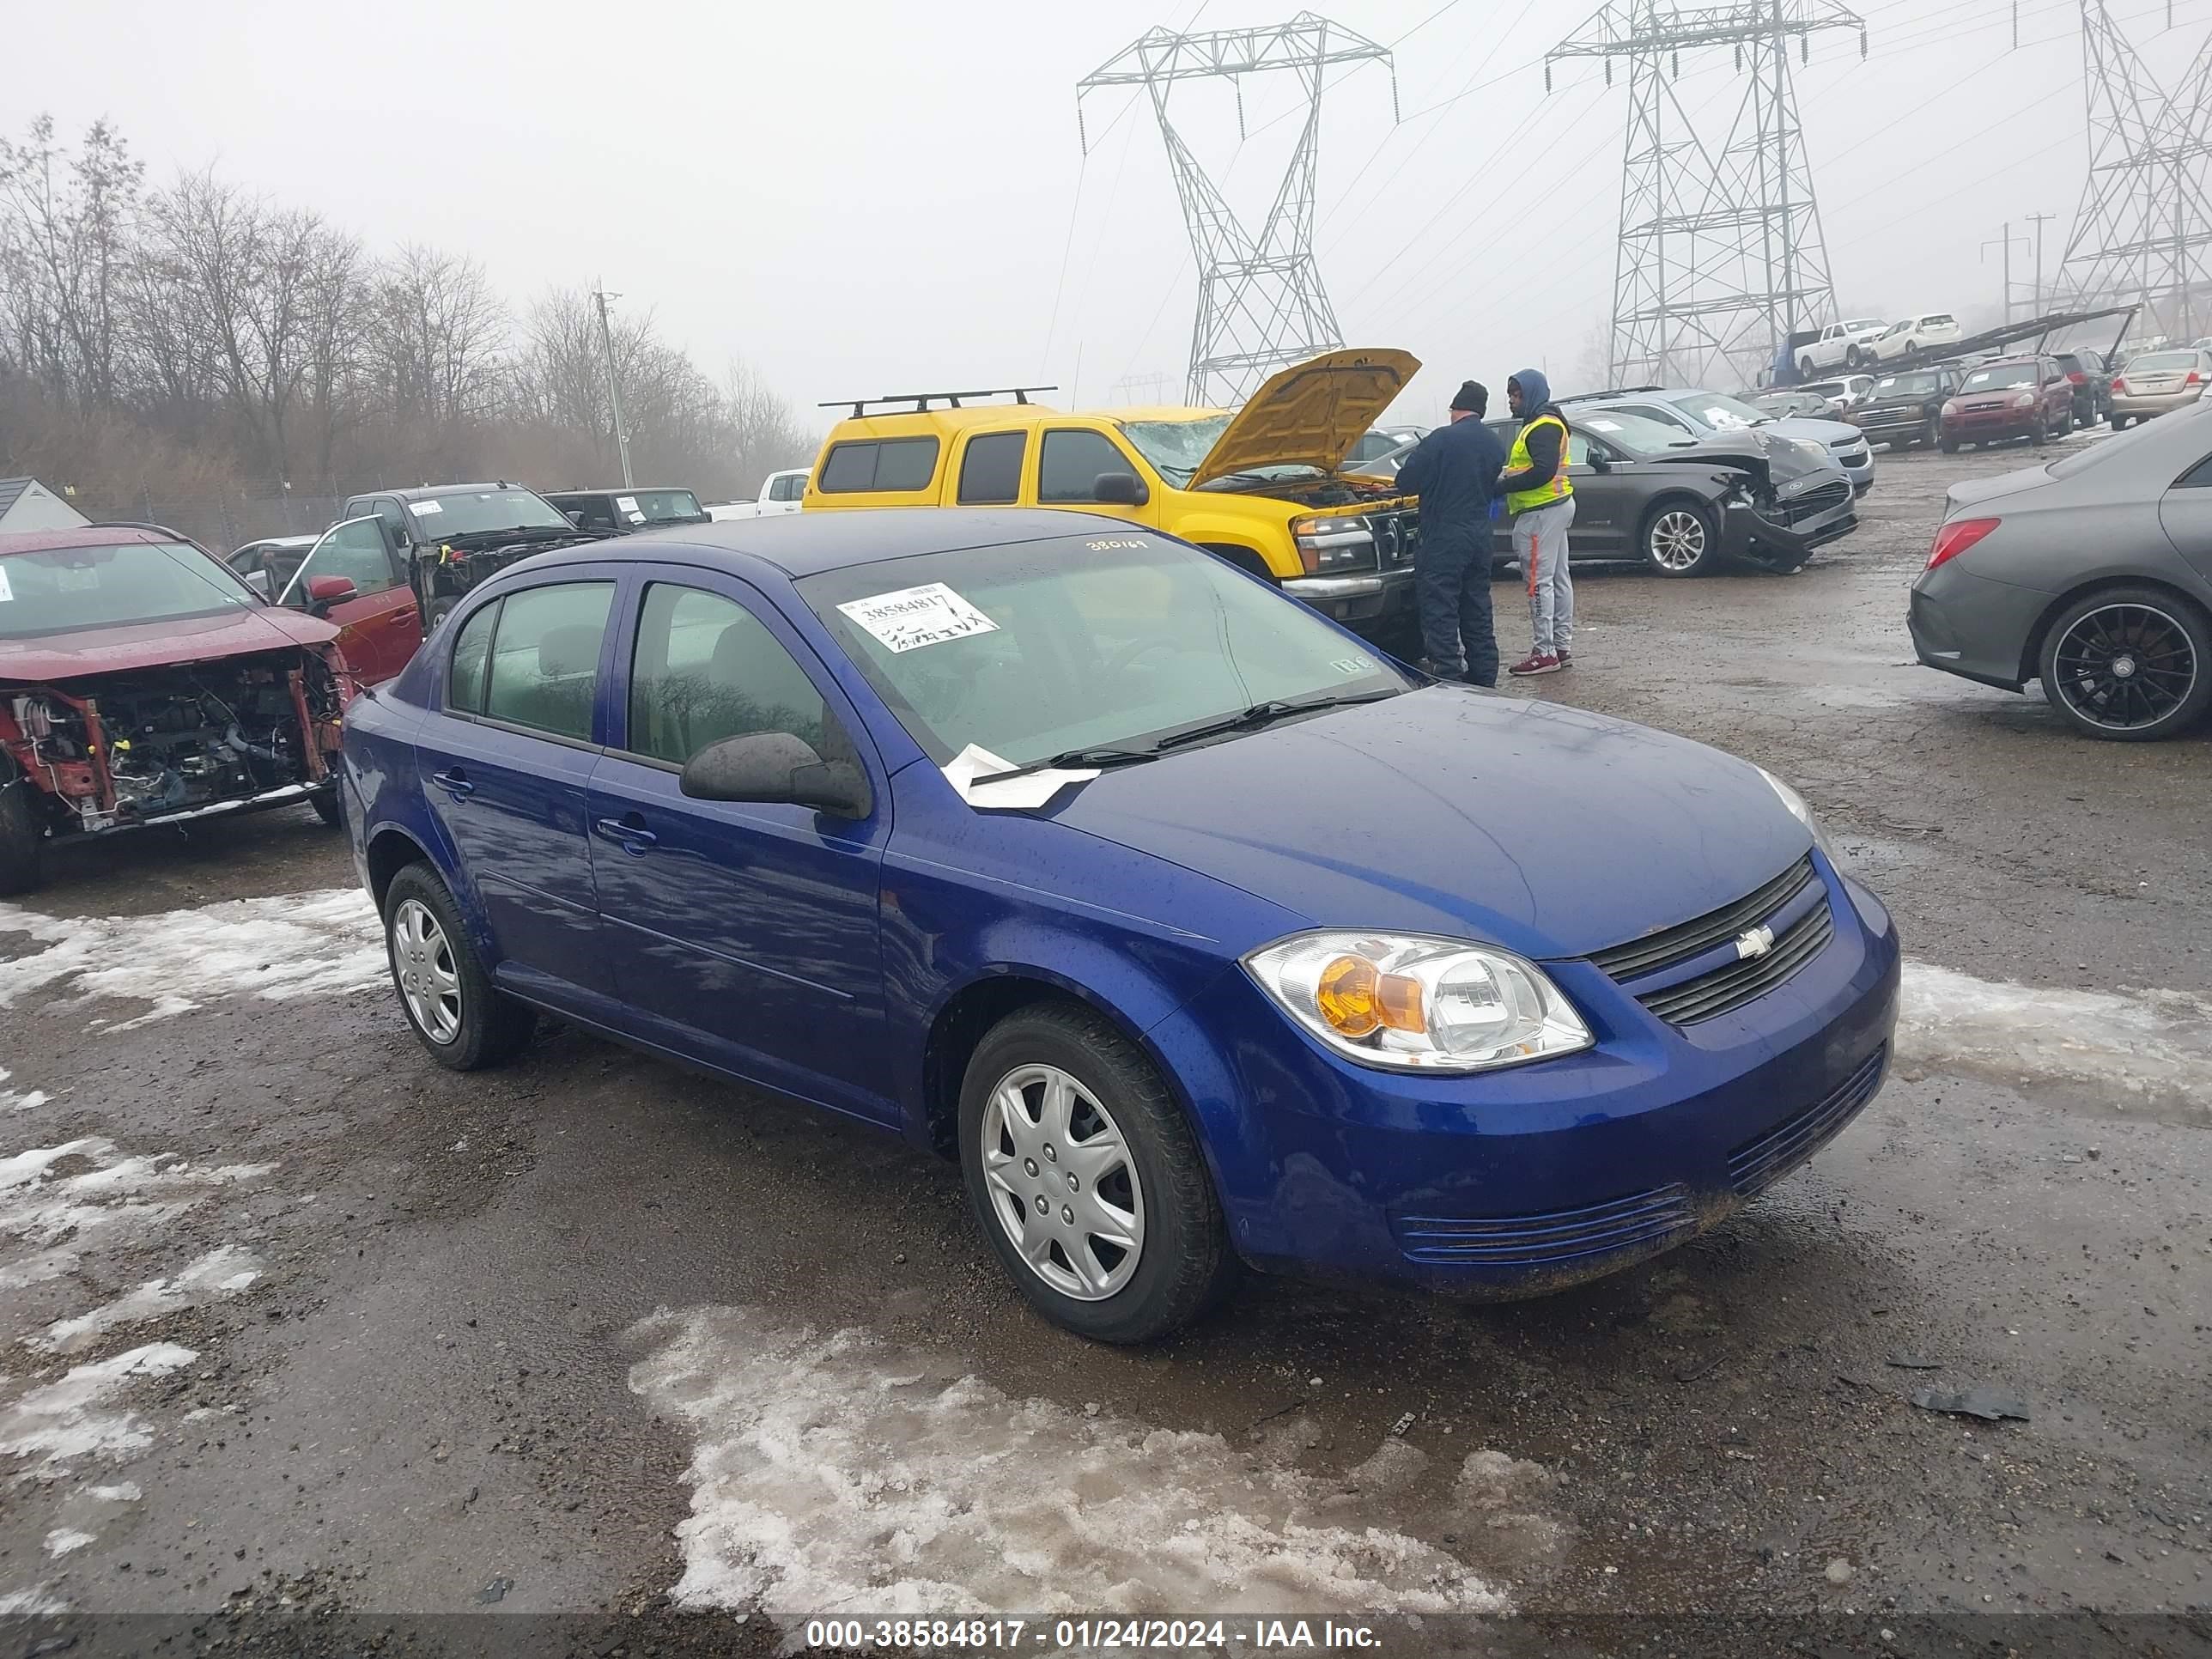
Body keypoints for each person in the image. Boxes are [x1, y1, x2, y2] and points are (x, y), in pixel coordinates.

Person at [1392, 380, 1506, 686]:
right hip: (1480, 537)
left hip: (1443, 536)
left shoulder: (1440, 439)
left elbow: (1407, 481)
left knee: (1440, 607)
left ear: (1455, 409)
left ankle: (1448, 675)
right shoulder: (1494, 443)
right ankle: (1484, 674)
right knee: (1477, 607)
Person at [1498, 369, 1576, 677]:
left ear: (1530, 394)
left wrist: (1502, 486)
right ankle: (1560, 646)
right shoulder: (1545, 421)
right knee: (1558, 578)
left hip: (1540, 511)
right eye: (1510, 396)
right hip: (1555, 506)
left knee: (1537, 582)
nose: (1512, 402)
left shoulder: (1542, 426)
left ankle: (1544, 652)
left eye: (1516, 396)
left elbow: (1542, 471)